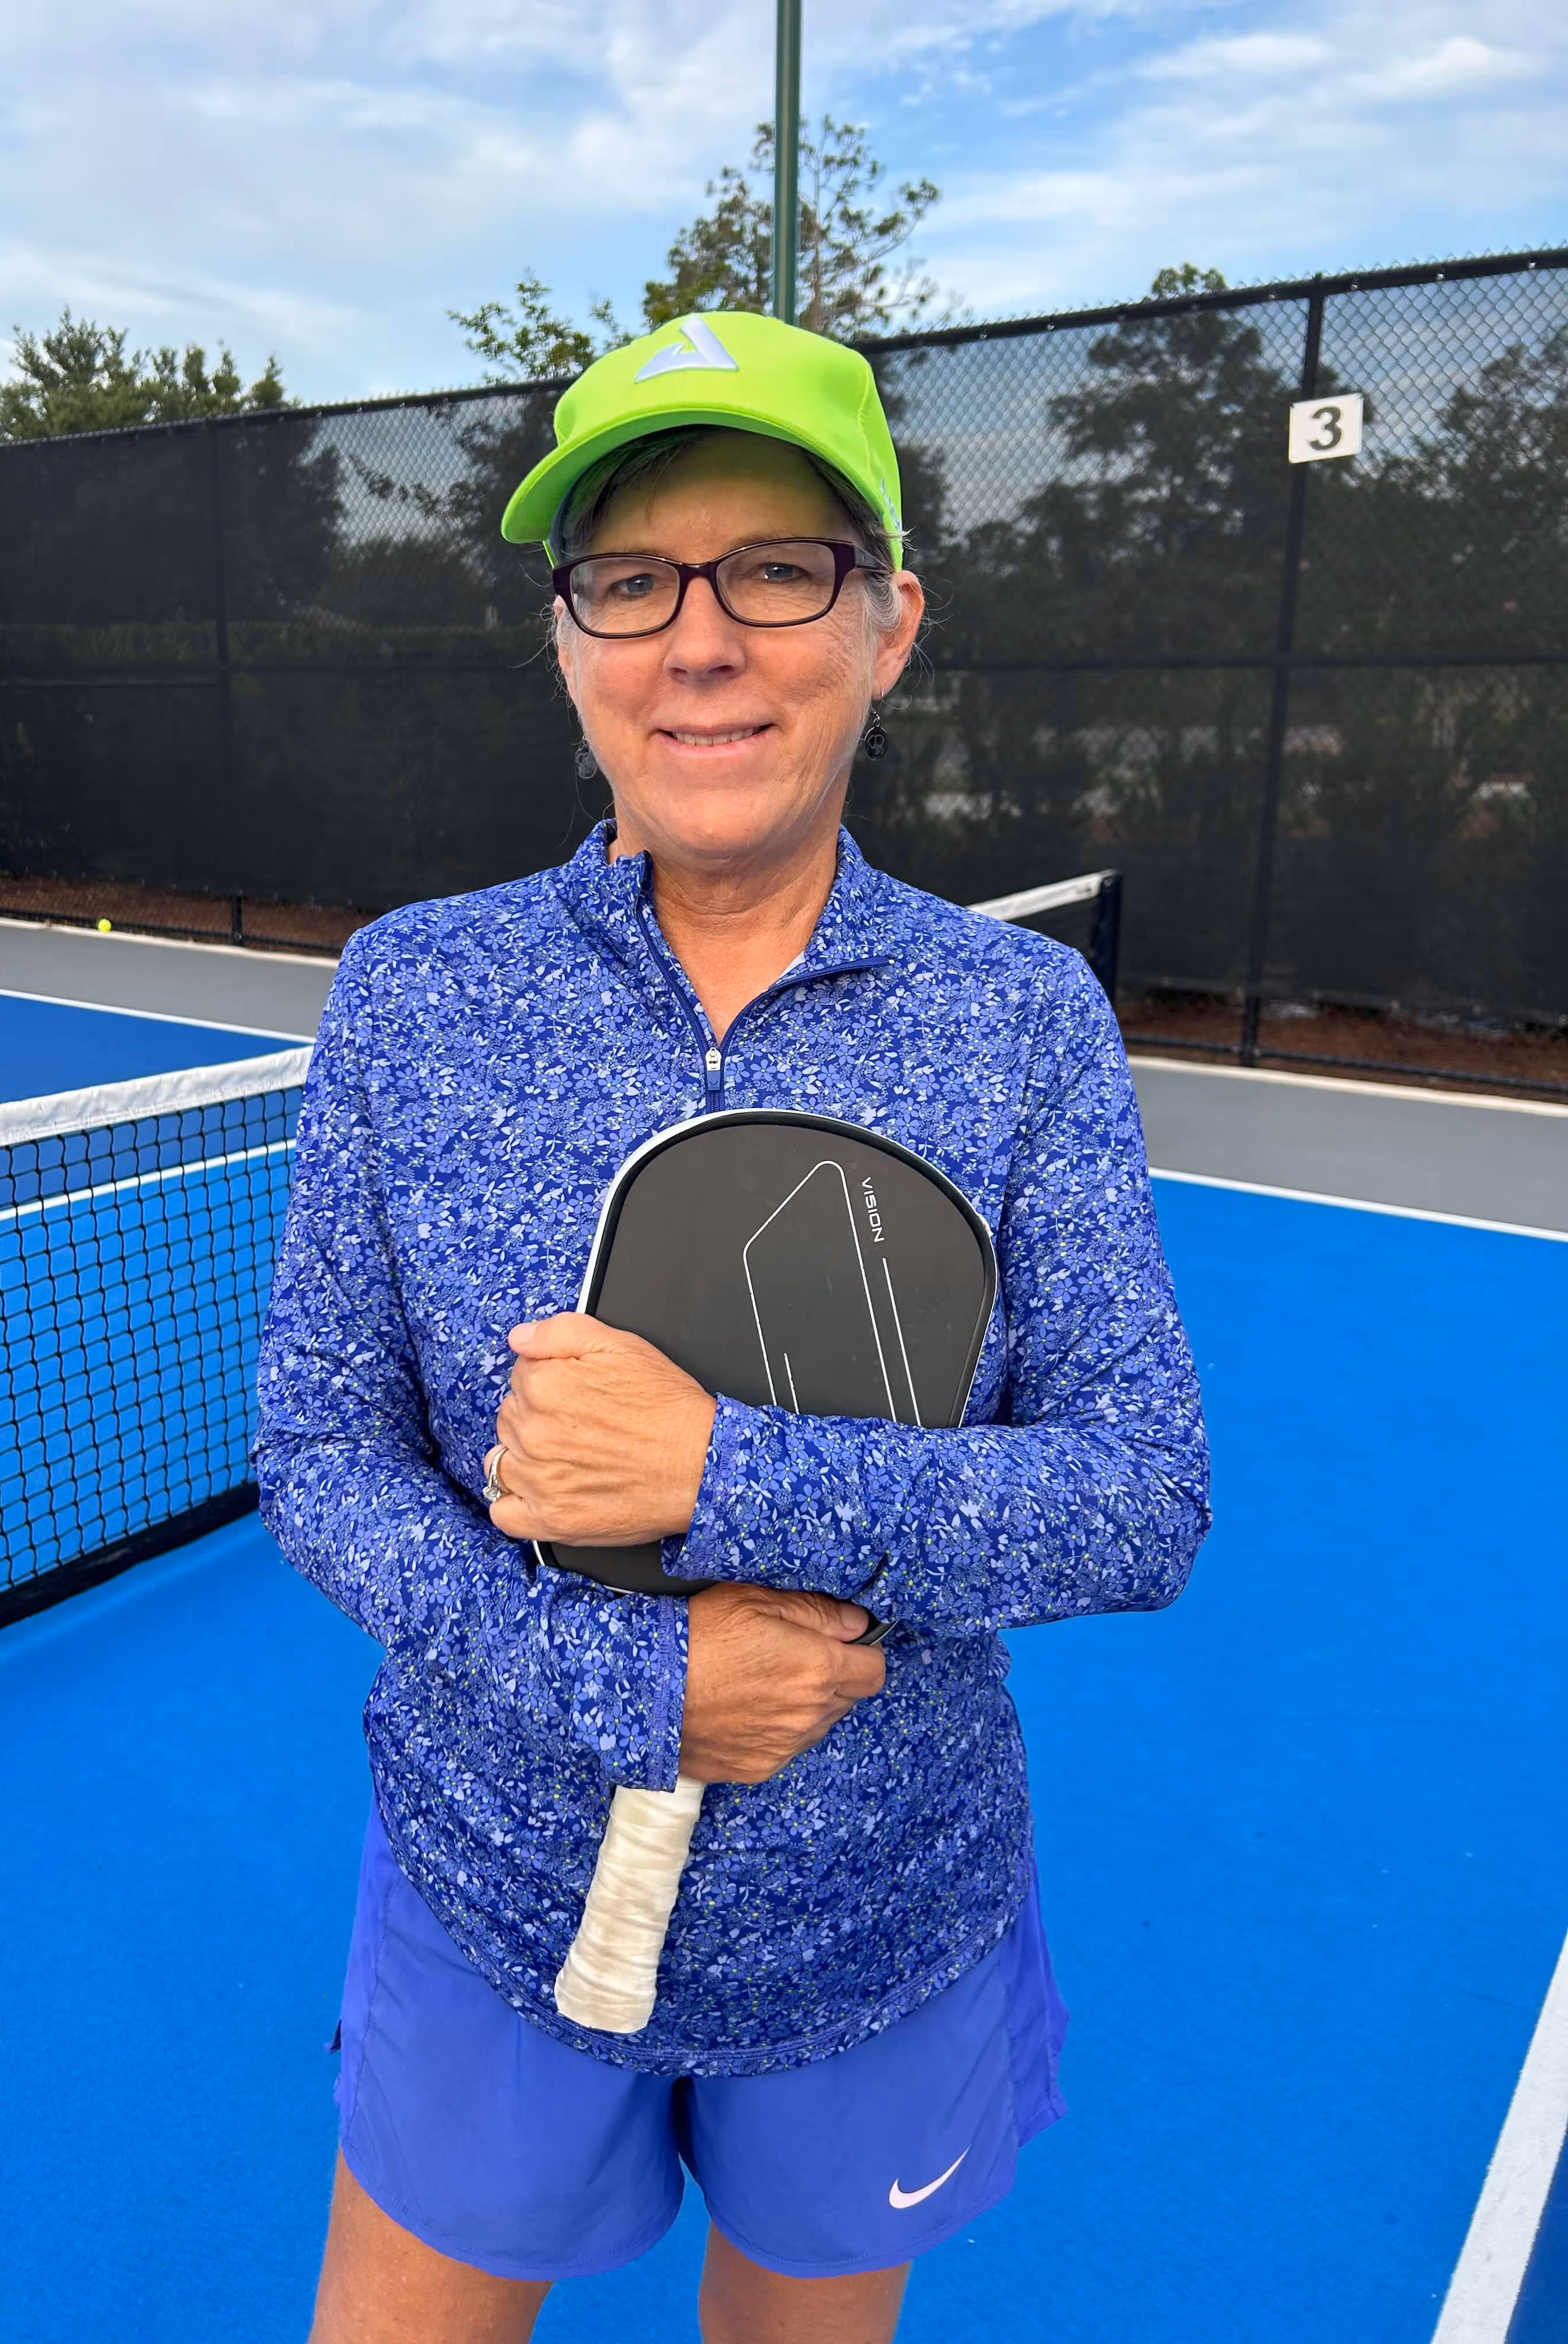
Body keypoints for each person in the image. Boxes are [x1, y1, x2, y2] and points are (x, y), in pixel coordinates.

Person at [256, 308, 1210, 2344]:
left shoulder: (1021, 1021)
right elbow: (319, 1449)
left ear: (889, 623)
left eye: (779, 567)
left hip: (878, 1918)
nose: (702, 637)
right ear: (572, 638)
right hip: (487, 1886)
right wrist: (624, 1681)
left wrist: (724, 1472)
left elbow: (1142, 1501)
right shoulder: (413, 993)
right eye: (632, 577)